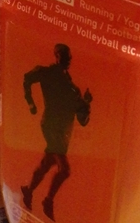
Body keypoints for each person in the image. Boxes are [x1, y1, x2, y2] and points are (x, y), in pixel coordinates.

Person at [20, 44, 92, 221]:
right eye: (65, 55)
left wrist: (86, 103)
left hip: (63, 133)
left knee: (47, 163)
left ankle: (28, 190)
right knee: (64, 170)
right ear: (57, 56)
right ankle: (48, 201)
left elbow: (82, 120)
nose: (68, 59)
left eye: (69, 56)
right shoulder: (49, 73)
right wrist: (30, 102)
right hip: (51, 127)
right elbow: (27, 78)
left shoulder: (73, 89)